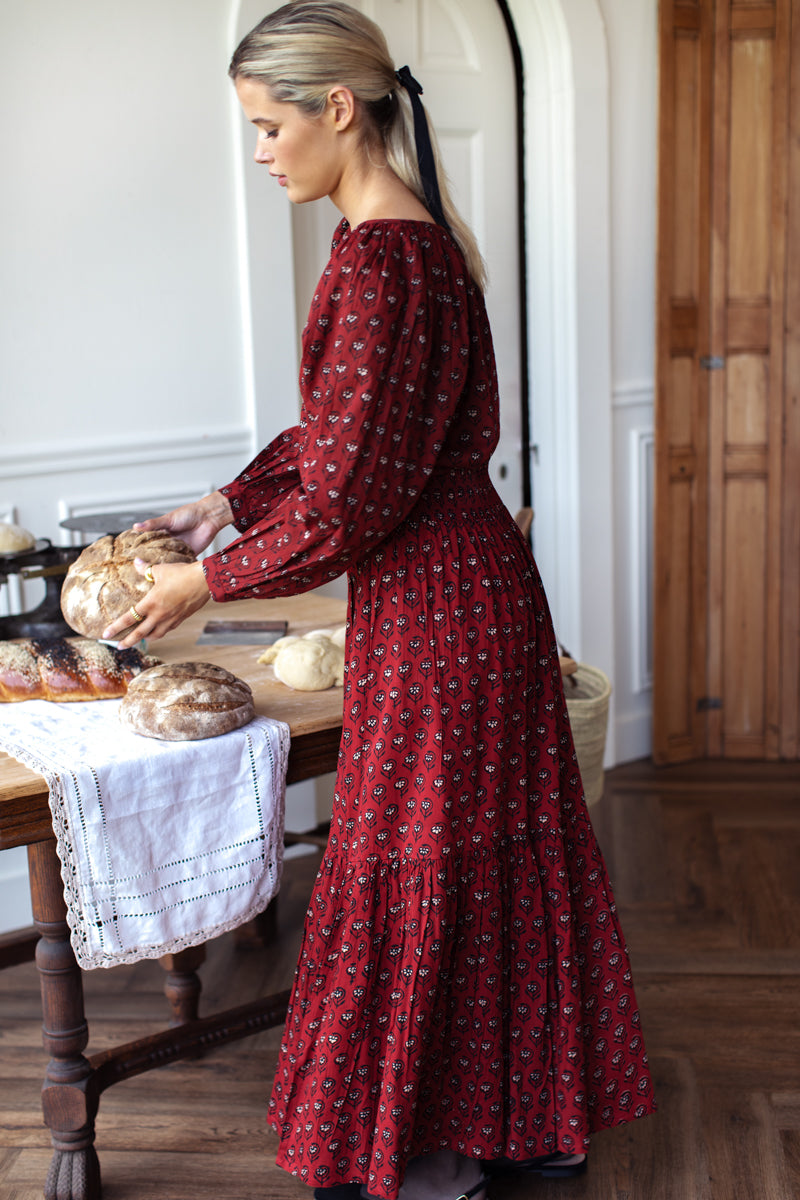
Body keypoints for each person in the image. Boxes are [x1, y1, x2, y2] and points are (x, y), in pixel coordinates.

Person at [104, 3, 656, 1197]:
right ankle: (517, 1122)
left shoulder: (378, 253)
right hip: (470, 593)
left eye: (266, 127)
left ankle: (428, 1146)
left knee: (425, 857)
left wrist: (209, 581)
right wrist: (227, 502)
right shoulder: (417, 242)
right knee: (481, 855)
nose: (258, 153)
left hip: (436, 604)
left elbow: (352, 502)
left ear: (337, 110)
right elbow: (343, 435)